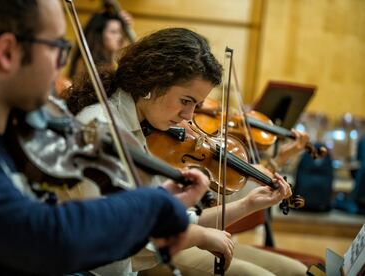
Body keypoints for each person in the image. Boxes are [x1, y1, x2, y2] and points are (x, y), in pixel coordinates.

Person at [0, 1, 211, 275]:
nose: (63, 62)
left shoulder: (6, 140)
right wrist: (153, 204)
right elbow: (50, 237)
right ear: (7, 52)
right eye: (57, 47)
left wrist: (156, 205)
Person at [63, 27, 306, 275]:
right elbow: (117, 237)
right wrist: (199, 236)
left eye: (196, 105)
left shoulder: (141, 128)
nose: (189, 116)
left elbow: (171, 218)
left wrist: (248, 204)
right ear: (153, 80)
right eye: (185, 101)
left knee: (295, 272)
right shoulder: (101, 128)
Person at [68, 10, 133, 79]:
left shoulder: (112, 61)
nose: (120, 37)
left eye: (121, 32)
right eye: (114, 32)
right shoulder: (86, 63)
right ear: (99, 35)